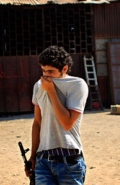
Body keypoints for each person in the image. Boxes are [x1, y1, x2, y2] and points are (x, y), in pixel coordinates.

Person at [25, 45, 89, 185]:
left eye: (51, 71)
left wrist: (52, 92)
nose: (46, 75)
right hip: (43, 160)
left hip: (69, 160)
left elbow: (67, 123)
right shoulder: (38, 86)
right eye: (43, 71)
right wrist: (33, 156)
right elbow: (37, 123)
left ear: (64, 69)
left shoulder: (77, 85)